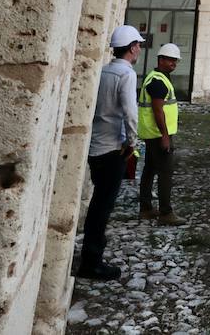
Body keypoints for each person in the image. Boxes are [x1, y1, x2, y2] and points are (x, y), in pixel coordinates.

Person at [78, 25, 142, 280]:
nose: (139, 48)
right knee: (101, 207)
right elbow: (129, 111)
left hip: (96, 145)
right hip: (113, 147)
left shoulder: (103, 71)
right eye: (137, 44)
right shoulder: (126, 74)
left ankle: (92, 255)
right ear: (132, 47)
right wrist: (133, 142)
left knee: (98, 204)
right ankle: (91, 261)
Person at [138, 42, 183, 224]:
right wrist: (165, 136)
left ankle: (146, 208)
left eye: (175, 60)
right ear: (161, 59)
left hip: (152, 133)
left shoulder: (156, 77)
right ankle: (166, 213)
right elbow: (158, 110)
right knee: (165, 173)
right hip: (158, 134)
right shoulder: (157, 81)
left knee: (149, 169)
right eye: (171, 60)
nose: (174, 63)